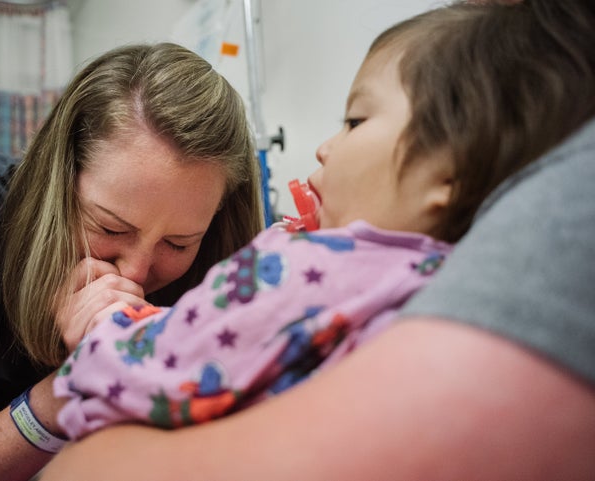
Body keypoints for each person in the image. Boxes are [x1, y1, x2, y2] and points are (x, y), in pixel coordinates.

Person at [39, 0, 595, 479]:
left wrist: (100, 329)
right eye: (111, 227)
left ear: (445, 179)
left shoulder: (315, 267)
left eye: (354, 121)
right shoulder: (440, 269)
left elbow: (168, 359)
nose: (327, 147)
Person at [0, 42, 264, 481]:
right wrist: (73, 388)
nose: (135, 273)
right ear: (59, 180)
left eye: (177, 243)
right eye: (111, 228)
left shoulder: (218, 269)